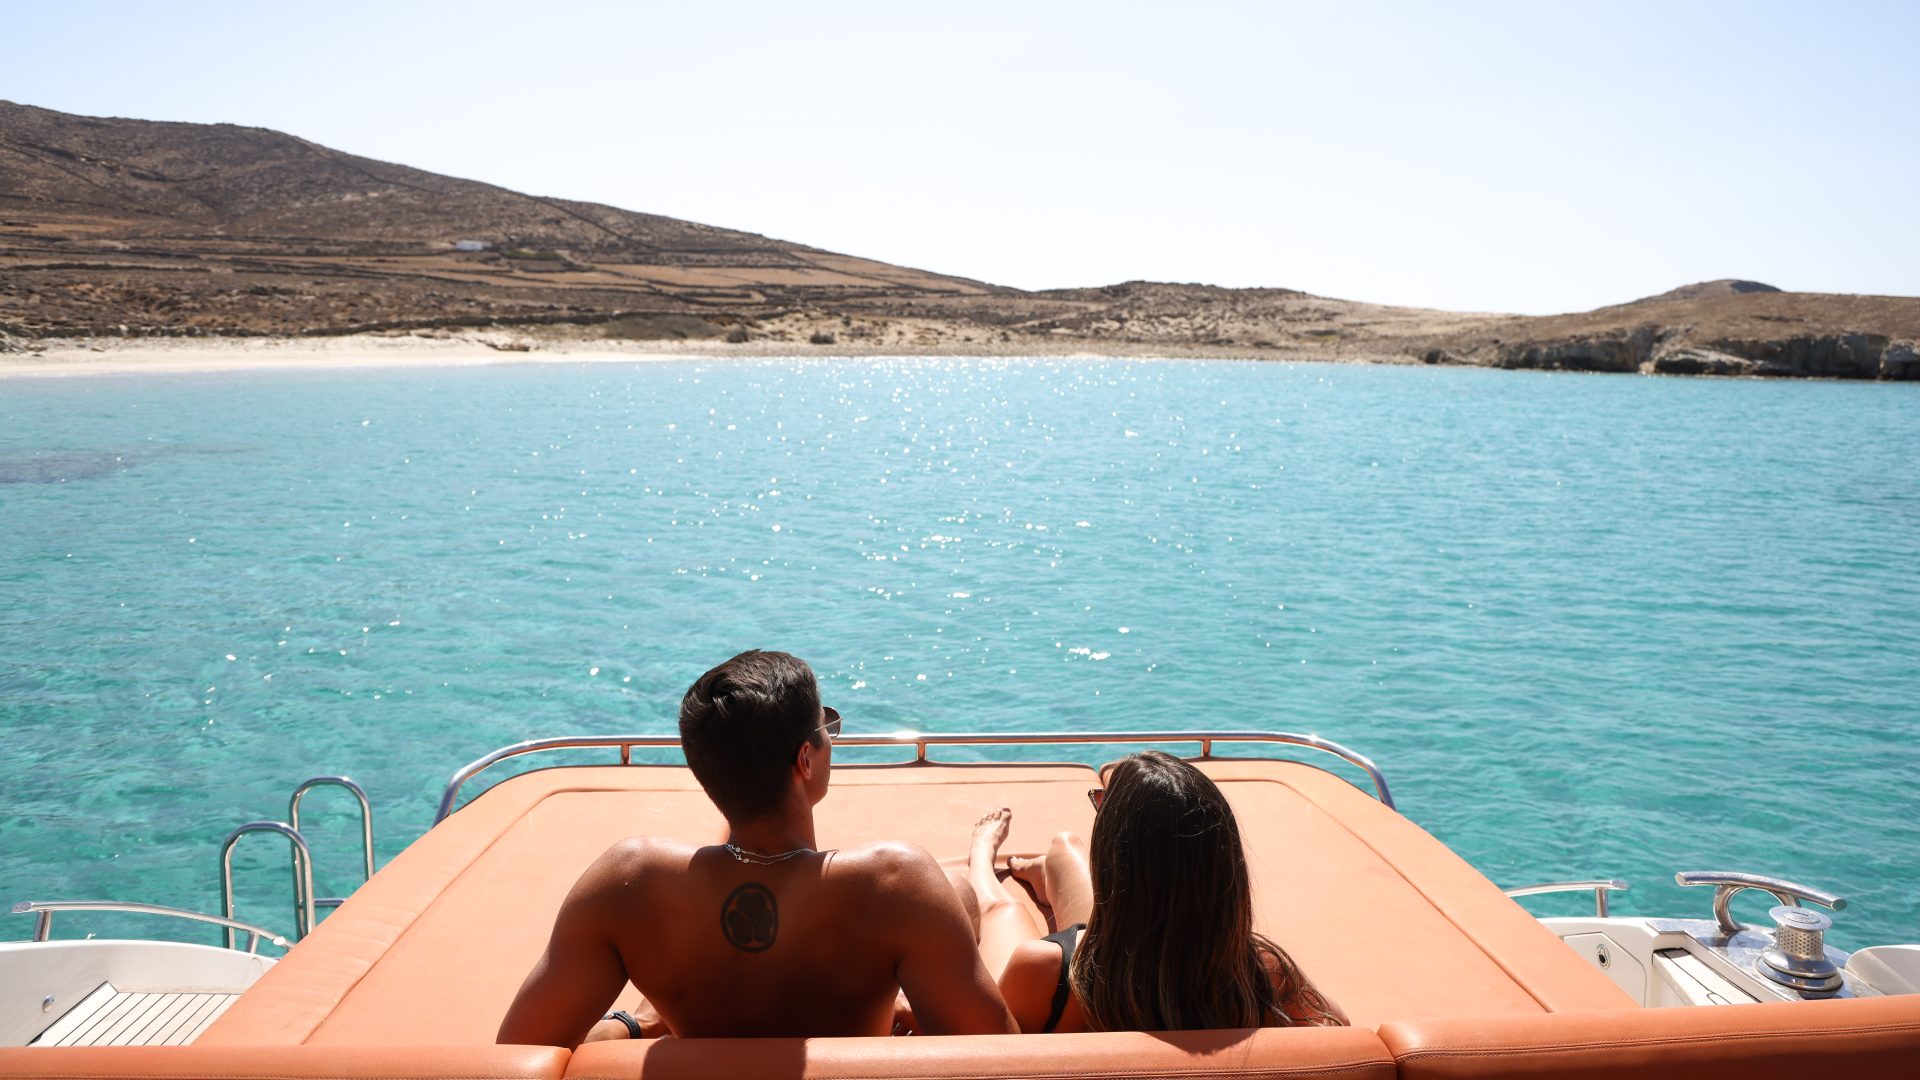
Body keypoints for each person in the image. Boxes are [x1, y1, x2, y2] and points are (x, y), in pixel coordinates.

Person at [497, 649, 1017, 1045]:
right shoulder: (897, 882)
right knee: (961, 895)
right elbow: (1003, 1058)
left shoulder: (627, 882)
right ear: (805, 760)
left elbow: (517, 1054)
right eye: (826, 725)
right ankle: (983, 866)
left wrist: (633, 1023)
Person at [963, 750, 1347, 1033]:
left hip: (1087, 966)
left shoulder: (1041, 970)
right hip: (1117, 951)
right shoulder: (1263, 974)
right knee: (1065, 848)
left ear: (1114, 862)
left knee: (1003, 910)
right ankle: (1051, 868)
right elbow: (1340, 1032)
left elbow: (997, 1051)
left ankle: (982, 854)